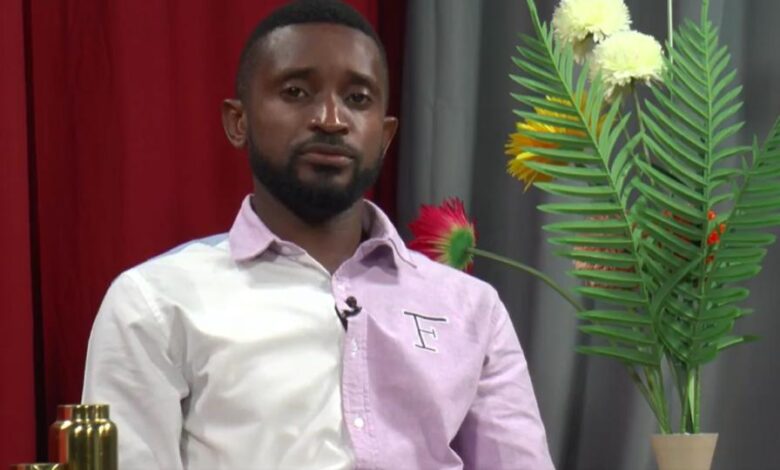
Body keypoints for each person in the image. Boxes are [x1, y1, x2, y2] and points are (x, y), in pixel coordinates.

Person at [82, 0, 555, 468]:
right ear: (238, 122)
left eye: (358, 99)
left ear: (385, 135)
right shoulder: (157, 303)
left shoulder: (472, 310)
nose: (331, 119)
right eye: (295, 92)